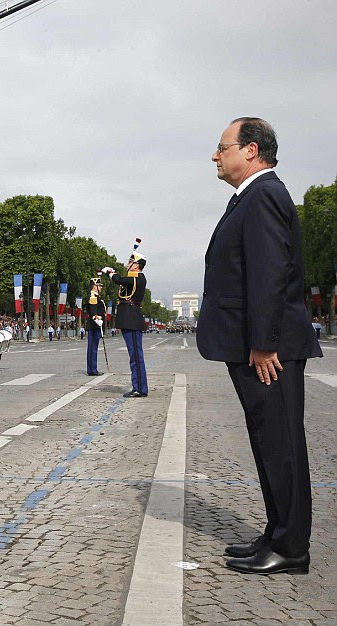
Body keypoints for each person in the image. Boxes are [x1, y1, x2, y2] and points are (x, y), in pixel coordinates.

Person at [198, 117, 322, 575]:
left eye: (221, 146)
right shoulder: (251, 197)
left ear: (250, 150)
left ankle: (292, 548)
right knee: (268, 442)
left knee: (282, 445)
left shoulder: (264, 194)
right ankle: (277, 532)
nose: (215, 155)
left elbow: (269, 273)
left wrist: (264, 343)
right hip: (255, 345)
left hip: (269, 350)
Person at [103, 251, 149, 397]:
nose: (127, 265)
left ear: (136, 265)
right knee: (133, 355)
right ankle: (138, 386)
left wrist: (110, 273)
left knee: (136, 356)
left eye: (130, 263)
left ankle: (140, 388)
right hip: (127, 318)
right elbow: (122, 281)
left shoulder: (138, 278)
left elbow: (119, 280)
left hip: (132, 319)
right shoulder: (132, 279)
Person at [83, 277, 106, 376]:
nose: (101, 288)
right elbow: (93, 313)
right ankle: (92, 369)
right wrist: (99, 320)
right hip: (94, 326)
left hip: (95, 326)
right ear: (95, 286)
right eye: (99, 286)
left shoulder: (96, 297)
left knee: (93, 348)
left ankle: (92, 368)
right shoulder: (93, 297)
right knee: (93, 348)